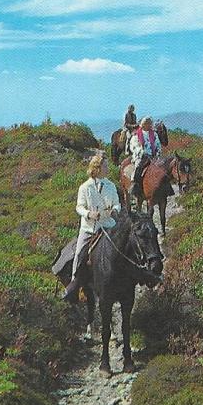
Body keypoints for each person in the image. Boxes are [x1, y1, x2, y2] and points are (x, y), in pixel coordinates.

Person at [62, 153, 122, 302]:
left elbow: (116, 203)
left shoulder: (111, 185)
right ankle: (74, 284)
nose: (108, 168)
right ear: (97, 168)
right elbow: (79, 207)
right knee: (79, 254)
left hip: (108, 226)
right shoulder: (85, 187)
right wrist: (89, 214)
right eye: (105, 166)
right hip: (90, 228)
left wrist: (114, 210)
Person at [129, 116, 162, 198]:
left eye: (149, 123)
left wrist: (158, 152)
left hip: (153, 156)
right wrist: (142, 151)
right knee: (139, 167)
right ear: (143, 124)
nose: (148, 125)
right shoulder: (136, 135)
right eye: (146, 123)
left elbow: (158, 144)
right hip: (141, 156)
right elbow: (134, 146)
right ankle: (135, 186)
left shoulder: (154, 134)